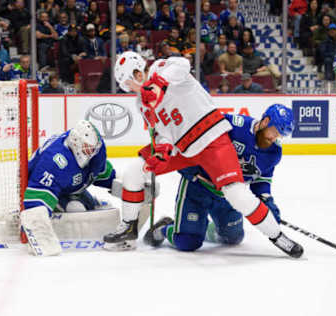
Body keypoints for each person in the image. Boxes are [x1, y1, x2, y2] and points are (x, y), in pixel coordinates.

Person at [106, 51, 303, 258]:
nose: (129, 89)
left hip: (211, 137)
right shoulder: (141, 103)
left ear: (137, 74)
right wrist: (163, 150)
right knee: (134, 170)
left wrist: (158, 82)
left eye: (128, 83)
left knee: (235, 193)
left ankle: (278, 237)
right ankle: (129, 226)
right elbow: (161, 131)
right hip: (181, 147)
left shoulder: (161, 68)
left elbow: (182, 64)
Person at [144, 105, 293, 252]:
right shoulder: (233, 125)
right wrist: (188, 163)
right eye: (274, 132)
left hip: (228, 196)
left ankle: (202, 228)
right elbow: (197, 130)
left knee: (233, 238)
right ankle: (164, 228)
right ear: (265, 121)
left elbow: (260, 180)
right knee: (187, 242)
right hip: (198, 187)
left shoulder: (273, 153)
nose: (275, 138)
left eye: (280, 136)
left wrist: (266, 201)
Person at [19, 120, 118, 256]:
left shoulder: (96, 151)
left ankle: (88, 201)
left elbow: (100, 174)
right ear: (76, 143)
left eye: (92, 149)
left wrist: (127, 187)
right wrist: (36, 225)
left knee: (87, 207)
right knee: (75, 208)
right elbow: (37, 195)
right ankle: (55, 212)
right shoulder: (55, 161)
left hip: (69, 187)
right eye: (87, 148)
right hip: (40, 185)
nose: (91, 152)